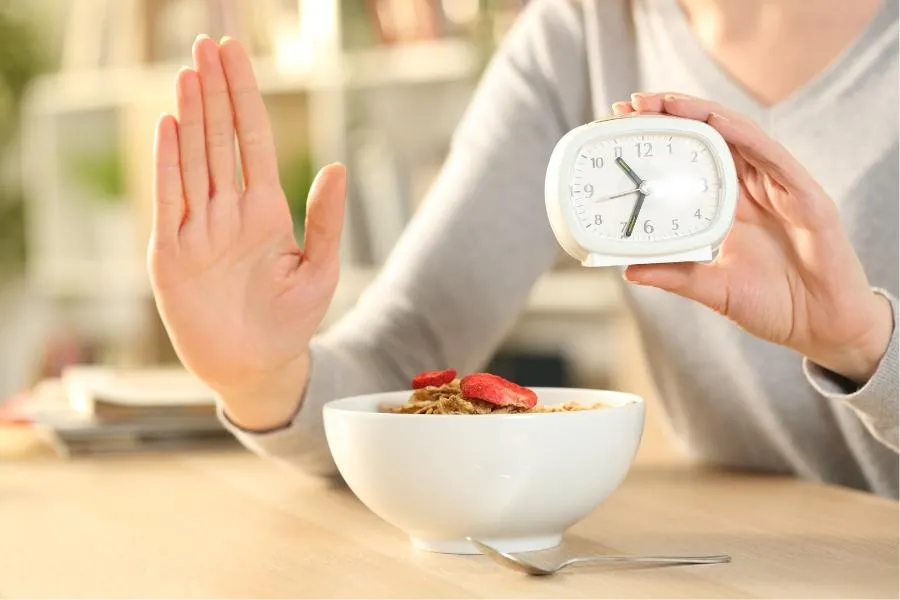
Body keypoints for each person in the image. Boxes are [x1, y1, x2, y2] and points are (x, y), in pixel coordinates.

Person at [147, 0, 899, 497]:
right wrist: (264, 379)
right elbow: (406, 359)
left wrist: (863, 340)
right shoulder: (580, 30)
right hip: (735, 563)